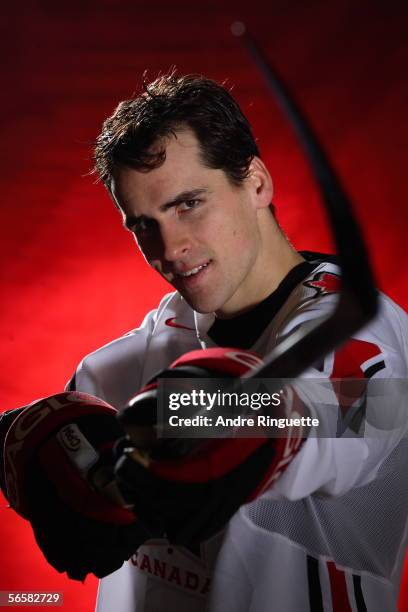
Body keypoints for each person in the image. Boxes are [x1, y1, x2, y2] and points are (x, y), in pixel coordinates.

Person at [2, 73, 408, 611]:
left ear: (257, 183)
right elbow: (60, 433)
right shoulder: (116, 370)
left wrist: (206, 417)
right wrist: (17, 444)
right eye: (143, 225)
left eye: (188, 204)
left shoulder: (368, 337)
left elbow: (338, 409)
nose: (170, 248)